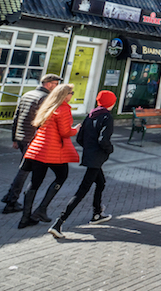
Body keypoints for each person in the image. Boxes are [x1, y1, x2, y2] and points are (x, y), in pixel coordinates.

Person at [48, 90, 116, 238]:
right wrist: (109, 149)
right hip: (96, 158)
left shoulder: (91, 115)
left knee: (101, 182)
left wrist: (89, 148)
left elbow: (80, 138)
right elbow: (104, 140)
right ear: (112, 103)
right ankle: (59, 222)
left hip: (90, 156)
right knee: (82, 191)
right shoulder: (107, 117)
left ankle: (97, 213)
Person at [17, 83, 79, 228]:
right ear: (65, 95)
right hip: (52, 150)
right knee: (62, 176)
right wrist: (75, 130)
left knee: (35, 182)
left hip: (37, 149)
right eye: (72, 93)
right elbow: (65, 132)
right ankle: (41, 209)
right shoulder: (63, 109)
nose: (72, 95)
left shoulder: (48, 106)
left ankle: (25, 218)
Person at [1, 73, 62, 213]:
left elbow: (17, 116)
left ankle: (9, 196)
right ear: (48, 84)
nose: (56, 87)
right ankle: (11, 200)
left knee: (24, 168)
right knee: (25, 170)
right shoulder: (45, 98)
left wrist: (15, 138)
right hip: (33, 138)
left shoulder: (27, 94)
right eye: (55, 84)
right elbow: (45, 121)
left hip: (22, 137)